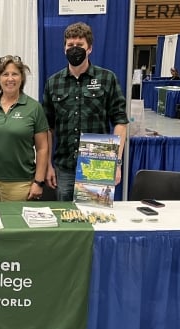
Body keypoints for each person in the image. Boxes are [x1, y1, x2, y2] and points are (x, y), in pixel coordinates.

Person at [43, 22, 128, 201]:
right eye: (70, 45)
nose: (75, 49)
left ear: (89, 48)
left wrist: (116, 162)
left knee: (94, 220)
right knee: (67, 221)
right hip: (64, 164)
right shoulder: (53, 82)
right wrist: (48, 164)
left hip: (98, 161)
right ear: (64, 48)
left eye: (80, 45)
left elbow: (120, 122)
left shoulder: (107, 78)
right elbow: (48, 128)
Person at [0, 55, 49, 202]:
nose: (10, 78)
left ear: (22, 78)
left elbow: (42, 148)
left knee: (16, 224)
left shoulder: (34, 108)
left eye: (15, 74)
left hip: (20, 184)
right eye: (5, 74)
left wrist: (38, 182)